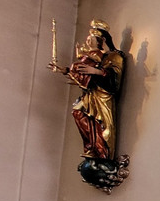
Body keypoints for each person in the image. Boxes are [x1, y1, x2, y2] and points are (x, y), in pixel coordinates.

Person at [51, 19, 124, 161]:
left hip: (103, 97)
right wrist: (66, 70)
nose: (88, 41)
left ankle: (102, 152)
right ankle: (91, 147)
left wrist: (96, 72)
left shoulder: (114, 56)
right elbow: (85, 76)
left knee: (101, 123)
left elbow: (114, 80)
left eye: (91, 39)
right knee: (78, 112)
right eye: (88, 39)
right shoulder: (94, 57)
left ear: (101, 40)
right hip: (91, 95)